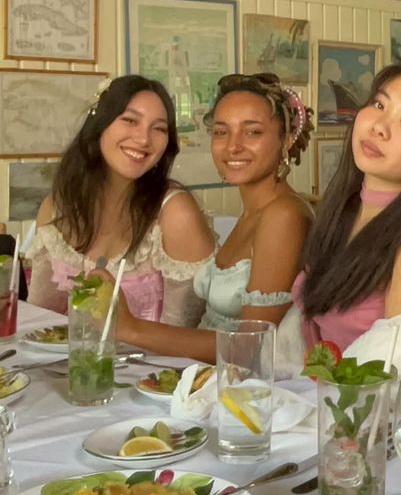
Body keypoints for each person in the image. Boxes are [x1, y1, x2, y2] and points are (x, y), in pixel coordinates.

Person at [107, 72, 314, 363]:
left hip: (243, 393)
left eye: (252, 132)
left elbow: (249, 348)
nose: (232, 146)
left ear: (287, 139)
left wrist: (132, 329)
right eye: (221, 132)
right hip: (203, 378)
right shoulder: (253, 212)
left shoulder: (285, 216)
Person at [293, 58, 401, 372]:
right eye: (379, 104)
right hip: (316, 405)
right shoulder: (343, 212)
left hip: (361, 416)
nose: (379, 126)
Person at [27, 75, 214, 326]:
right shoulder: (57, 207)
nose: (144, 139)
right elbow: (39, 324)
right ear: (100, 125)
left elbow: (183, 337)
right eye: (130, 120)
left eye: (158, 128)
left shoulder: (175, 213)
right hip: (67, 363)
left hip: (158, 365)